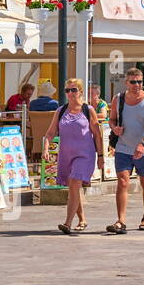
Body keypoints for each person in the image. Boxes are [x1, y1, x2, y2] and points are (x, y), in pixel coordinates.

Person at [43, 78, 104, 235]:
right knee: (73, 188)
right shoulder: (60, 111)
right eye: (67, 90)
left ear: (81, 91)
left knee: (75, 183)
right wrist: (46, 149)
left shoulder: (88, 110)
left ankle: (67, 223)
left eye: (74, 90)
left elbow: (97, 134)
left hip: (85, 155)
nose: (70, 93)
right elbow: (50, 133)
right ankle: (82, 219)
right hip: (66, 155)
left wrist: (101, 156)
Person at [106, 68, 144, 234]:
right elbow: (112, 119)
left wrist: (143, 143)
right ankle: (121, 220)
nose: (137, 85)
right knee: (122, 182)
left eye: (140, 82)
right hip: (123, 147)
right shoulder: (118, 99)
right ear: (126, 83)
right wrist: (115, 128)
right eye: (133, 82)